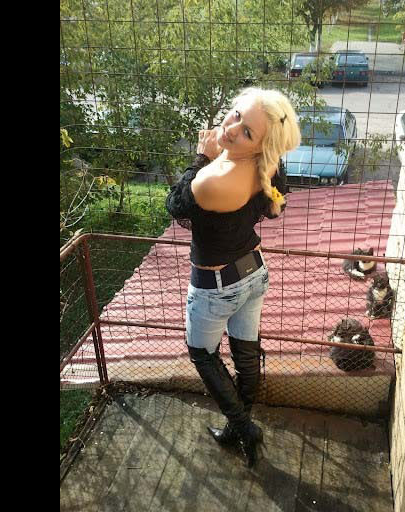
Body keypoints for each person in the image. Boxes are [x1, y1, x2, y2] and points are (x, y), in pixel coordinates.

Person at [166, 87, 300, 467]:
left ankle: (243, 427)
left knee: (202, 354)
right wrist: (221, 153)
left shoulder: (212, 181)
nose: (231, 128)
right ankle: (238, 427)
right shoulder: (268, 166)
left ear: (260, 145)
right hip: (253, 272)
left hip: (216, 287)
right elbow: (272, 209)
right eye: (236, 114)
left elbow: (175, 204)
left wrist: (202, 156)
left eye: (247, 132)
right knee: (245, 352)